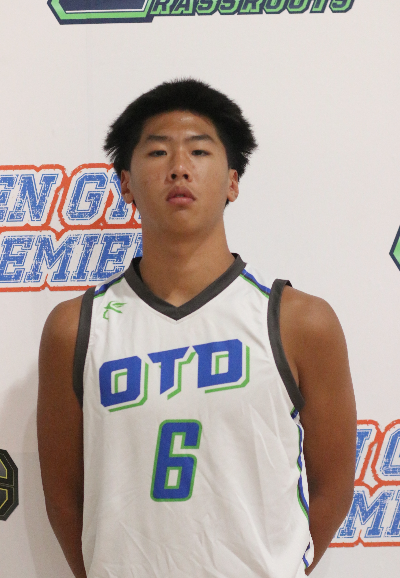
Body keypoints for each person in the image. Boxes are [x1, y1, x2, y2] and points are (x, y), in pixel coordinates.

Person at [38, 78, 357, 578]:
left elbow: (333, 487)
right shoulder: (76, 327)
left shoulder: (298, 321)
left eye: (200, 151)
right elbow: (63, 498)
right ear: (126, 184)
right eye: (157, 151)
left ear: (232, 181)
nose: (179, 167)